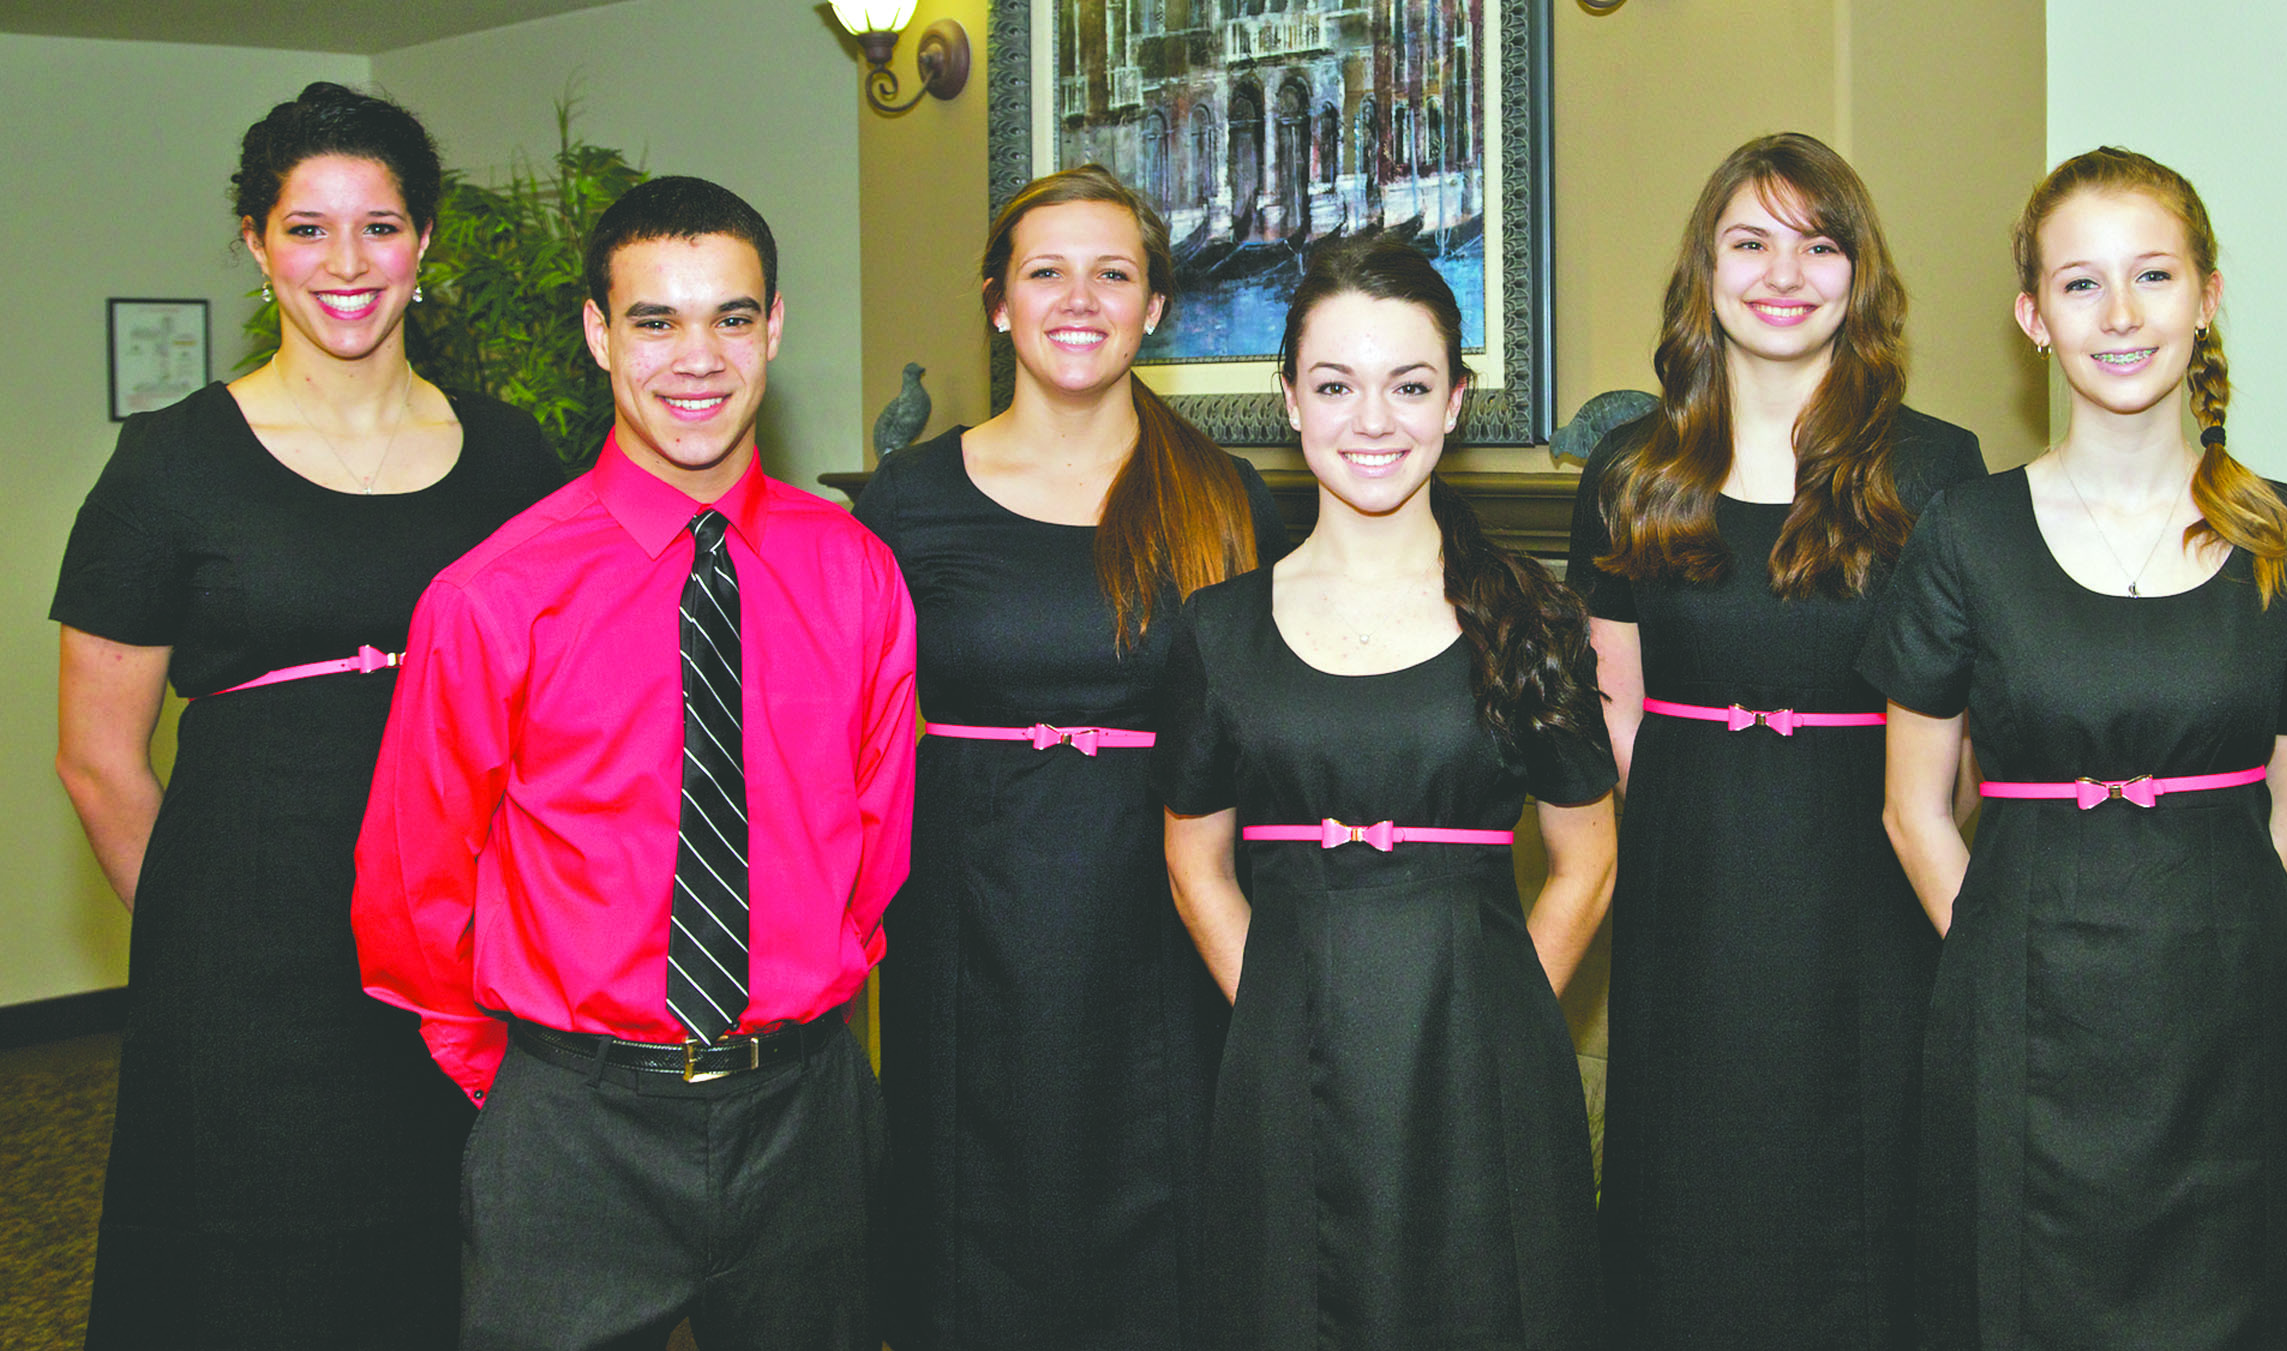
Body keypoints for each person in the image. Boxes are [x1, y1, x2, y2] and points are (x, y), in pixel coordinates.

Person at [350, 175, 915, 1349]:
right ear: (602, 334)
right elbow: (413, 891)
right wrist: (522, 1084)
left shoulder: (855, 571)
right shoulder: (494, 594)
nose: (695, 358)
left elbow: (878, 842)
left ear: (775, 328)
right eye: (655, 320)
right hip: (572, 1129)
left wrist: (803, 1014)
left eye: (731, 317)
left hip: (806, 1116)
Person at [49, 82, 561, 1349]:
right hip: (246, 956)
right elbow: (99, 764)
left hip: (462, 953)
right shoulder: (168, 462)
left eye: (379, 227)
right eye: (306, 228)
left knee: (453, 1261)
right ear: (253, 241)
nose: (346, 264)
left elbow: (565, 718)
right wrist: (207, 941)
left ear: (424, 243)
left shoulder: (514, 459)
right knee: (252, 1282)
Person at [1863, 147, 2287, 1349]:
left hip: (2227, 1031)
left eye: (2153, 274)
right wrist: (2003, 953)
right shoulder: (1965, 532)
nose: (2123, 314)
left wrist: (2196, 945)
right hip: (2015, 1028)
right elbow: (1913, 809)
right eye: (2081, 284)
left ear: (2207, 294)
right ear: (2035, 318)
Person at [852, 164, 1287, 1351]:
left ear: (1156, 308)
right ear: (998, 302)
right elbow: (849, 733)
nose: (1078, 297)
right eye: (1046, 271)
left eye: (1114, 272)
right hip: (968, 903)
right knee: (975, 1209)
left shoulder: (1229, 496)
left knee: (1164, 1203)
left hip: (1166, 898)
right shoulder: (906, 499)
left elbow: (1272, 732)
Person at [1561, 132, 1984, 1350]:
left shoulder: (1935, 466)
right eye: (1750, 242)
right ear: (1706, 269)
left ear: (1861, 277)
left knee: (1862, 1204)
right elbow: (1620, 707)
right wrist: (1698, 836)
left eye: (1819, 244)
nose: (1783, 273)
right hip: (1687, 892)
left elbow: (1953, 733)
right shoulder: (1630, 468)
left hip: (1868, 884)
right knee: (1687, 1197)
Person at [1156, 235, 1617, 1350]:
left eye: (1409, 386)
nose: (1374, 421)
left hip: (1485, 1070)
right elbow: (1193, 859)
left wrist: (1505, 1008)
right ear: (1289, 402)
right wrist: (1272, 1002)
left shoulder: (1530, 616)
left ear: (1454, 402)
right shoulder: (1219, 628)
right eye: (1336, 386)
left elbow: (1588, 855)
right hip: (1282, 1069)